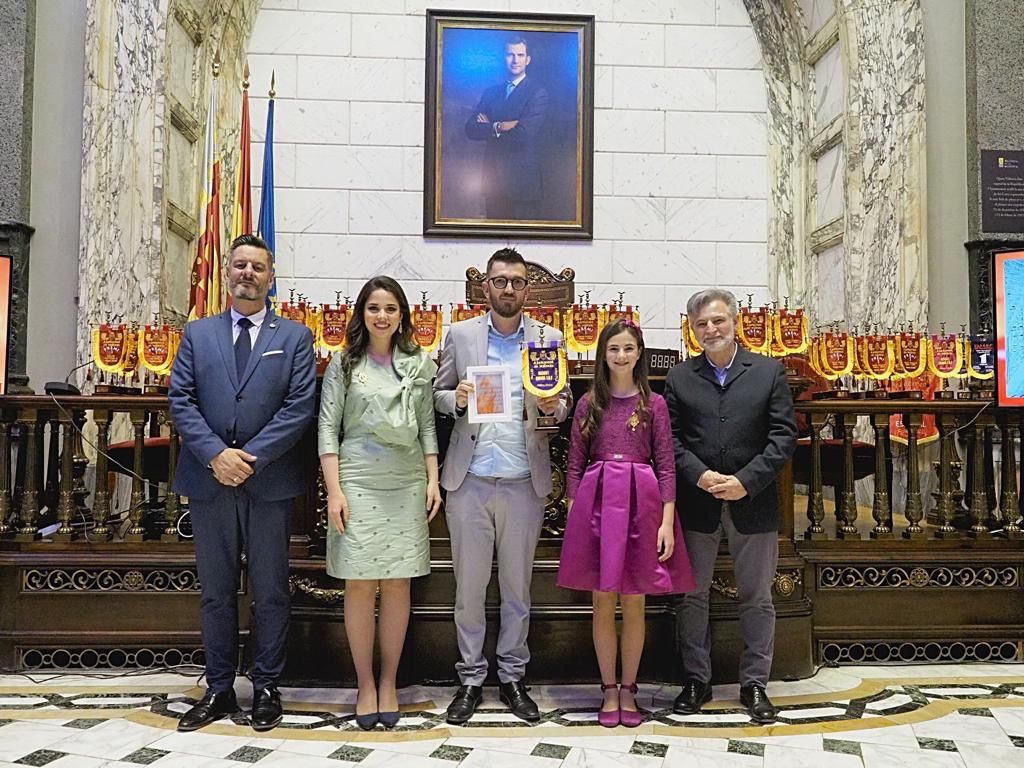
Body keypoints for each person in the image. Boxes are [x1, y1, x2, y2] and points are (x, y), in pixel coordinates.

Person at [168, 234, 316, 732]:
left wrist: (248, 458)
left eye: (257, 267)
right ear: (226, 274)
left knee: (271, 590)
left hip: (268, 481)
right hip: (210, 481)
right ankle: (218, 687)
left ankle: (268, 687)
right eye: (239, 265)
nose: (247, 273)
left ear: (271, 277)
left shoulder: (294, 337)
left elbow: (298, 407)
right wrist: (216, 455)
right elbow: (181, 400)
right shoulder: (198, 333)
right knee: (215, 590)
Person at [433, 247, 572, 724]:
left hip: (522, 480)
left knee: (517, 590)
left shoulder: (548, 337)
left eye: (516, 280)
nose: (508, 288)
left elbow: (565, 400)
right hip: (469, 479)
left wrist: (555, 407)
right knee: (469, 590)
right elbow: (436, 393)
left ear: (526, 288)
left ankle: (513, 676)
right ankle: (470, 678)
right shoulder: (461, 334)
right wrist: (457, 397)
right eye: (499, 280)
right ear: (486, 287)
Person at [664, 289, 797, 725]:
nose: (711, 330)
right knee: (692, 596)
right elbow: (672, 441)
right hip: (697, 502)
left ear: (735, 322)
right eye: (701, 324)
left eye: (718, 321)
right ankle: (695, 680)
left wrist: (746, 481)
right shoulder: (681, 378)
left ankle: (754, 682)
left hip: (752, 502)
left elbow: (783, 438)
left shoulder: (767, 371)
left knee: (757, 597)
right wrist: (699, 475)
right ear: (692, 329)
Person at [318, 276, 441, 731]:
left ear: (402, 315)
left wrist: (432, 479)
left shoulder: (418, 363)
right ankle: (364, 683)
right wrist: (334, 490)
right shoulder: (344, 364)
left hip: (406, 479)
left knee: (397, 583)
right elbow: (328, 429)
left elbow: (428, 425)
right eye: (374, 308)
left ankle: (389, 681)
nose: (382, 316)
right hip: (358, 479)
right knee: (359, 582)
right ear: (362, 314)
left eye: (391, 308)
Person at [557, 319, 695, 728]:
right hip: (597, 505)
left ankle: (630, 687)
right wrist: (574, 515)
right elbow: (575, 463)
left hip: (642, 504)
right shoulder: (588, 403)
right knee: (602, 600)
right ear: (604, 354)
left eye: (628, 349)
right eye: (613, 349)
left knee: (634, 600)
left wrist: (667, 522)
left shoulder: (654, 405)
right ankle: (608, 688)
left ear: (640, 354)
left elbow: (667, 464)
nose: (620, 356)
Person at [464, 36, 550, 221]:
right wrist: (500, 126)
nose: (515, 60)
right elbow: (470, 129)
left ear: (528, 60)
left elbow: (524, 134)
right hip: (493, 183)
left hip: (522, 187)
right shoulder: (491, 92)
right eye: (510, 54)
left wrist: (489, 126)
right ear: (504, 58)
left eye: (520, 55)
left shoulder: (537, 93)